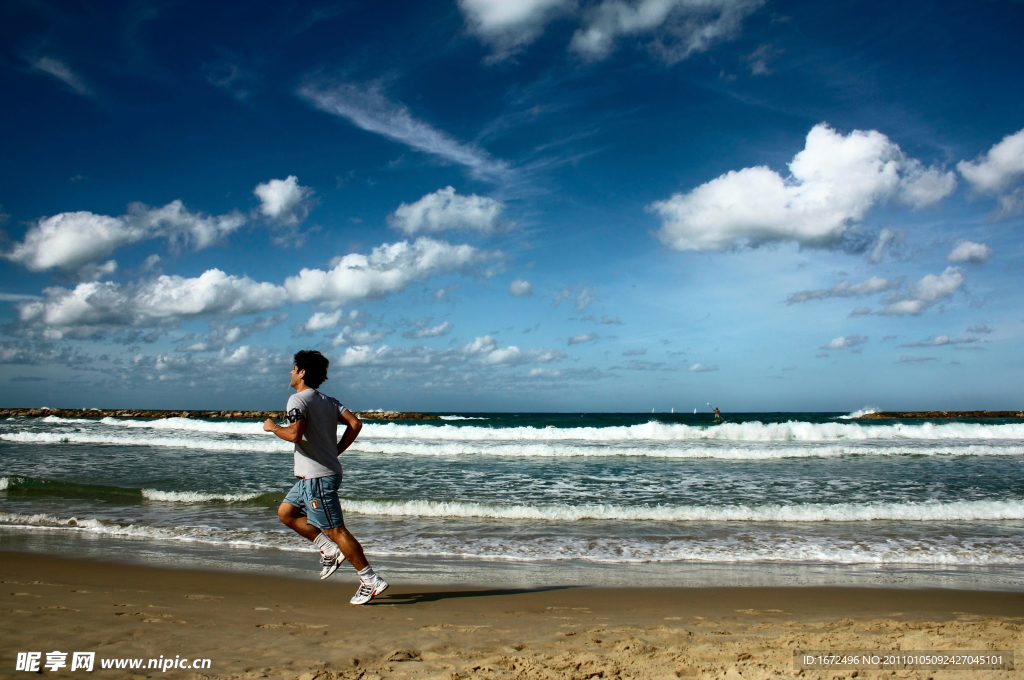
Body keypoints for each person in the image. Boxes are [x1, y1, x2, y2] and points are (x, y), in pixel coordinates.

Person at [263, 350, 388, 605]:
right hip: (313, 477)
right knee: (286, 513)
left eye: (293, 368)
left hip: (317, 478)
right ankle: (328, 548)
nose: (290, 372)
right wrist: (335, 450)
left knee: (336, 530)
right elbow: (355, 424)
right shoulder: (329, 401)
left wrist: (273, 427)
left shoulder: (297, 400)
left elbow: (295, 434)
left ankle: (369, 578)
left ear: (302, 372)